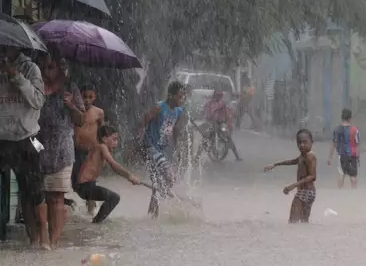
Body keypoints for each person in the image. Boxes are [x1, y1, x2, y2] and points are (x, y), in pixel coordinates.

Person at [0, 45, 49, 249]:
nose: (1, 52)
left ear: (15, 47)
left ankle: (42, 236)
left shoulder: (31, 69)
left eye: (5, 47)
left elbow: (38, 101)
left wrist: (16, 76)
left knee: (34, 189)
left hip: (29, 137)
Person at [36, 52, 84, 249]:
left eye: (51, 67)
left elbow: (80, 120)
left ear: (59, 68)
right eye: (44, 67)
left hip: (62, 149)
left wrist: (71, 105)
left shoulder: (70, 89)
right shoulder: (36, 86)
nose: (47, 72)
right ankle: (41, 238)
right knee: (40, 196)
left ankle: (53, 242)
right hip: (37, 144)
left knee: (56, 196)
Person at [138, 81, 185, 217]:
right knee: (168, 177)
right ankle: (159, 203)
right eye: (179, 97)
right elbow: (142, 122)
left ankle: (152, 216)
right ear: (171, 95)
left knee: (157, 184)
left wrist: (177, 150)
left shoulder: (178, 111)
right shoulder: (159, 107)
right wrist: (139, 140)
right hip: (151, 147)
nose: (181, 100)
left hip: (163, 150)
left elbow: (175, 132)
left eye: (183, 97)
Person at [75, 125, 141, 223]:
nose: (116, 142)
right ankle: (96, 223)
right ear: (104, 139)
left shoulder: (100, 148)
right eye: (114, 139)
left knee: (107, 198)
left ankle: (94, 219)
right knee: (114, 197)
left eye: (117, 140)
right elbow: (114, 166)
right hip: (84, 187)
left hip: (86, 186)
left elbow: (111, 170)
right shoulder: (102, 146)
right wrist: (130, 176)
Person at [264, 129, 317, 223]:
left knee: (292, 221)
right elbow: (292, 161)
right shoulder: (303, 155)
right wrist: (275, 164)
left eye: (305, 142)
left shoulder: (310, 156)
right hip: (309, 193)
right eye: (299, 142)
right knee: (304, 222)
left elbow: (312, 176)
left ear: (312, 142)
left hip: (305, 192)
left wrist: (293, 186)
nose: (302, 145)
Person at [72, 83, 105, 216]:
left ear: (94, 97)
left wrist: (104, 153)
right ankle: (78, 204)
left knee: (89, 182)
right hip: (76, 151)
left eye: (90, 97)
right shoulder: (75, 111)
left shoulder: (99, 112)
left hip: (92, 152)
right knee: (76, 183)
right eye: (84, 96)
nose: (86, 100)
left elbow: (103, 133)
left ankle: (91, 213)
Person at [194, 89, 242, 162]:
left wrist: (229, 121)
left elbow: (228, 113)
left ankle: (237, 156)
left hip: (221, 124)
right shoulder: (209, 103)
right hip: (211, 123)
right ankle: (197, 157)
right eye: (217, 95)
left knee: (229, 138)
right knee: (205, 139)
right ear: (214, 95)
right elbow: (206, 113)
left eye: (220, 96)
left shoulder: (223, 104)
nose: (218, 97)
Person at [328, 108, 360, 188]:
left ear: (342, 117)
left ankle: (340, 195)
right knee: (353, 176)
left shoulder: (336, 129)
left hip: (341, 156)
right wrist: (358, 156)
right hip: (352, 155)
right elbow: (357, 144)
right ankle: (354, 195)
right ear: (350, 118)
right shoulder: (355, 130)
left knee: (341, 175)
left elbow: (333, 144)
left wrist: (330, 158)